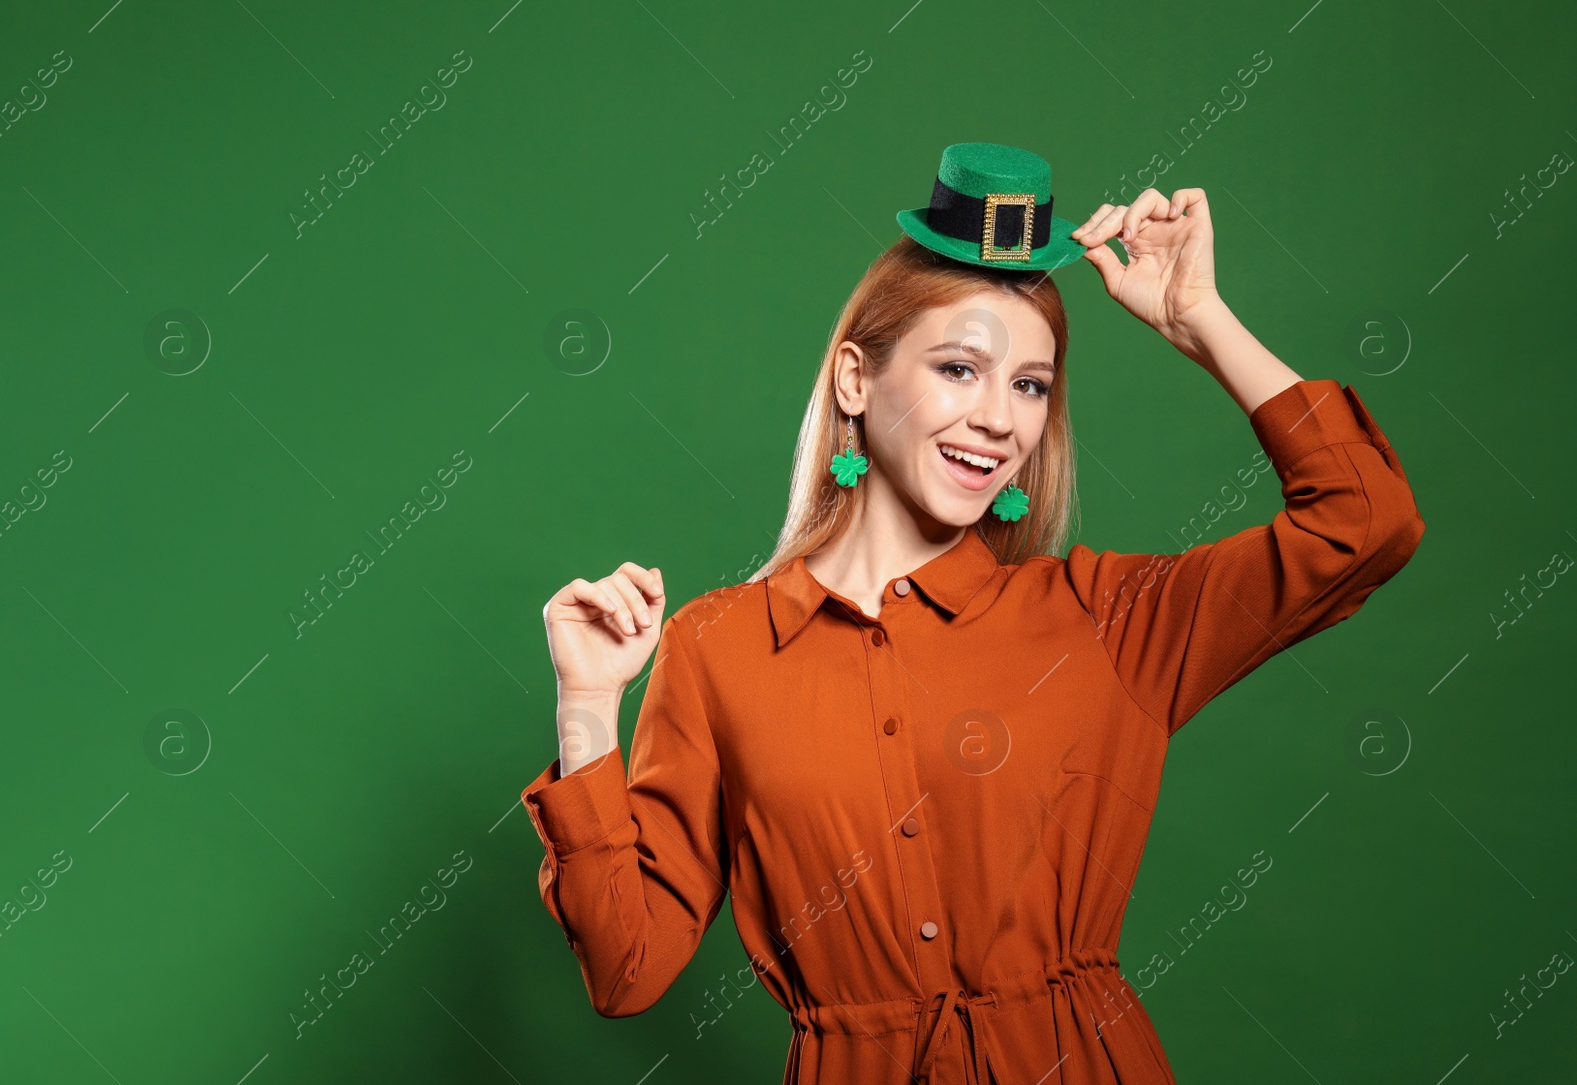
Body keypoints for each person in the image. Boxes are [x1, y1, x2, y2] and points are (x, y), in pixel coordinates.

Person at [520, 143, 1425, 1084]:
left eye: (1030, 384)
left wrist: (1201, 318)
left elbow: (1366, 522)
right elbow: (626, 968)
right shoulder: (717, 649)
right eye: (960, 369)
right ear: (855, 381)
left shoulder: (1107, 619)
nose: (1000, 419)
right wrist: (587, 710)